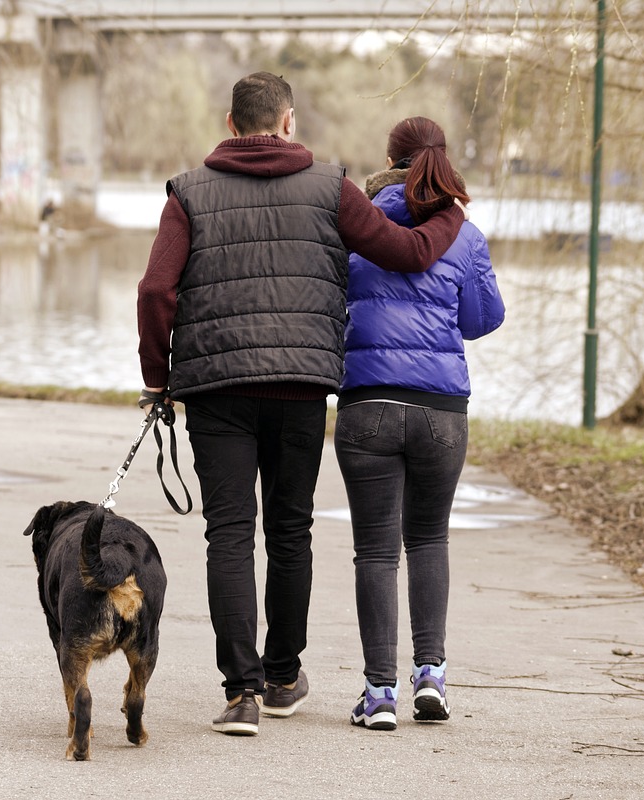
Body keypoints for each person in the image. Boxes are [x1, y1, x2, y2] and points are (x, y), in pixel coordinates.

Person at [135, 73, 467, 737]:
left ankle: (241, 695)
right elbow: (404, 252)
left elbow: (154, 292)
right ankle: (283, 676)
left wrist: (157, 380)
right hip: (300, 385)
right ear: (288, 122)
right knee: (289, 530)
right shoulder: (330, 186)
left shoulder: (189, 192)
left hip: (217, 389)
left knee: (229, 532)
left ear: (232, 123)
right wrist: (451, 210)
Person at [335, 116, 505, 731]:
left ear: (389, 159)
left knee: (375, 551)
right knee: (429, 538)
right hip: (441, 412)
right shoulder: (466, 234)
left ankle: (379, 693)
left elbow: (330, 305)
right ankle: (429, 675)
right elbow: (483, 319)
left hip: (368, 406)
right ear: (441, 160)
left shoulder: (355, 224)